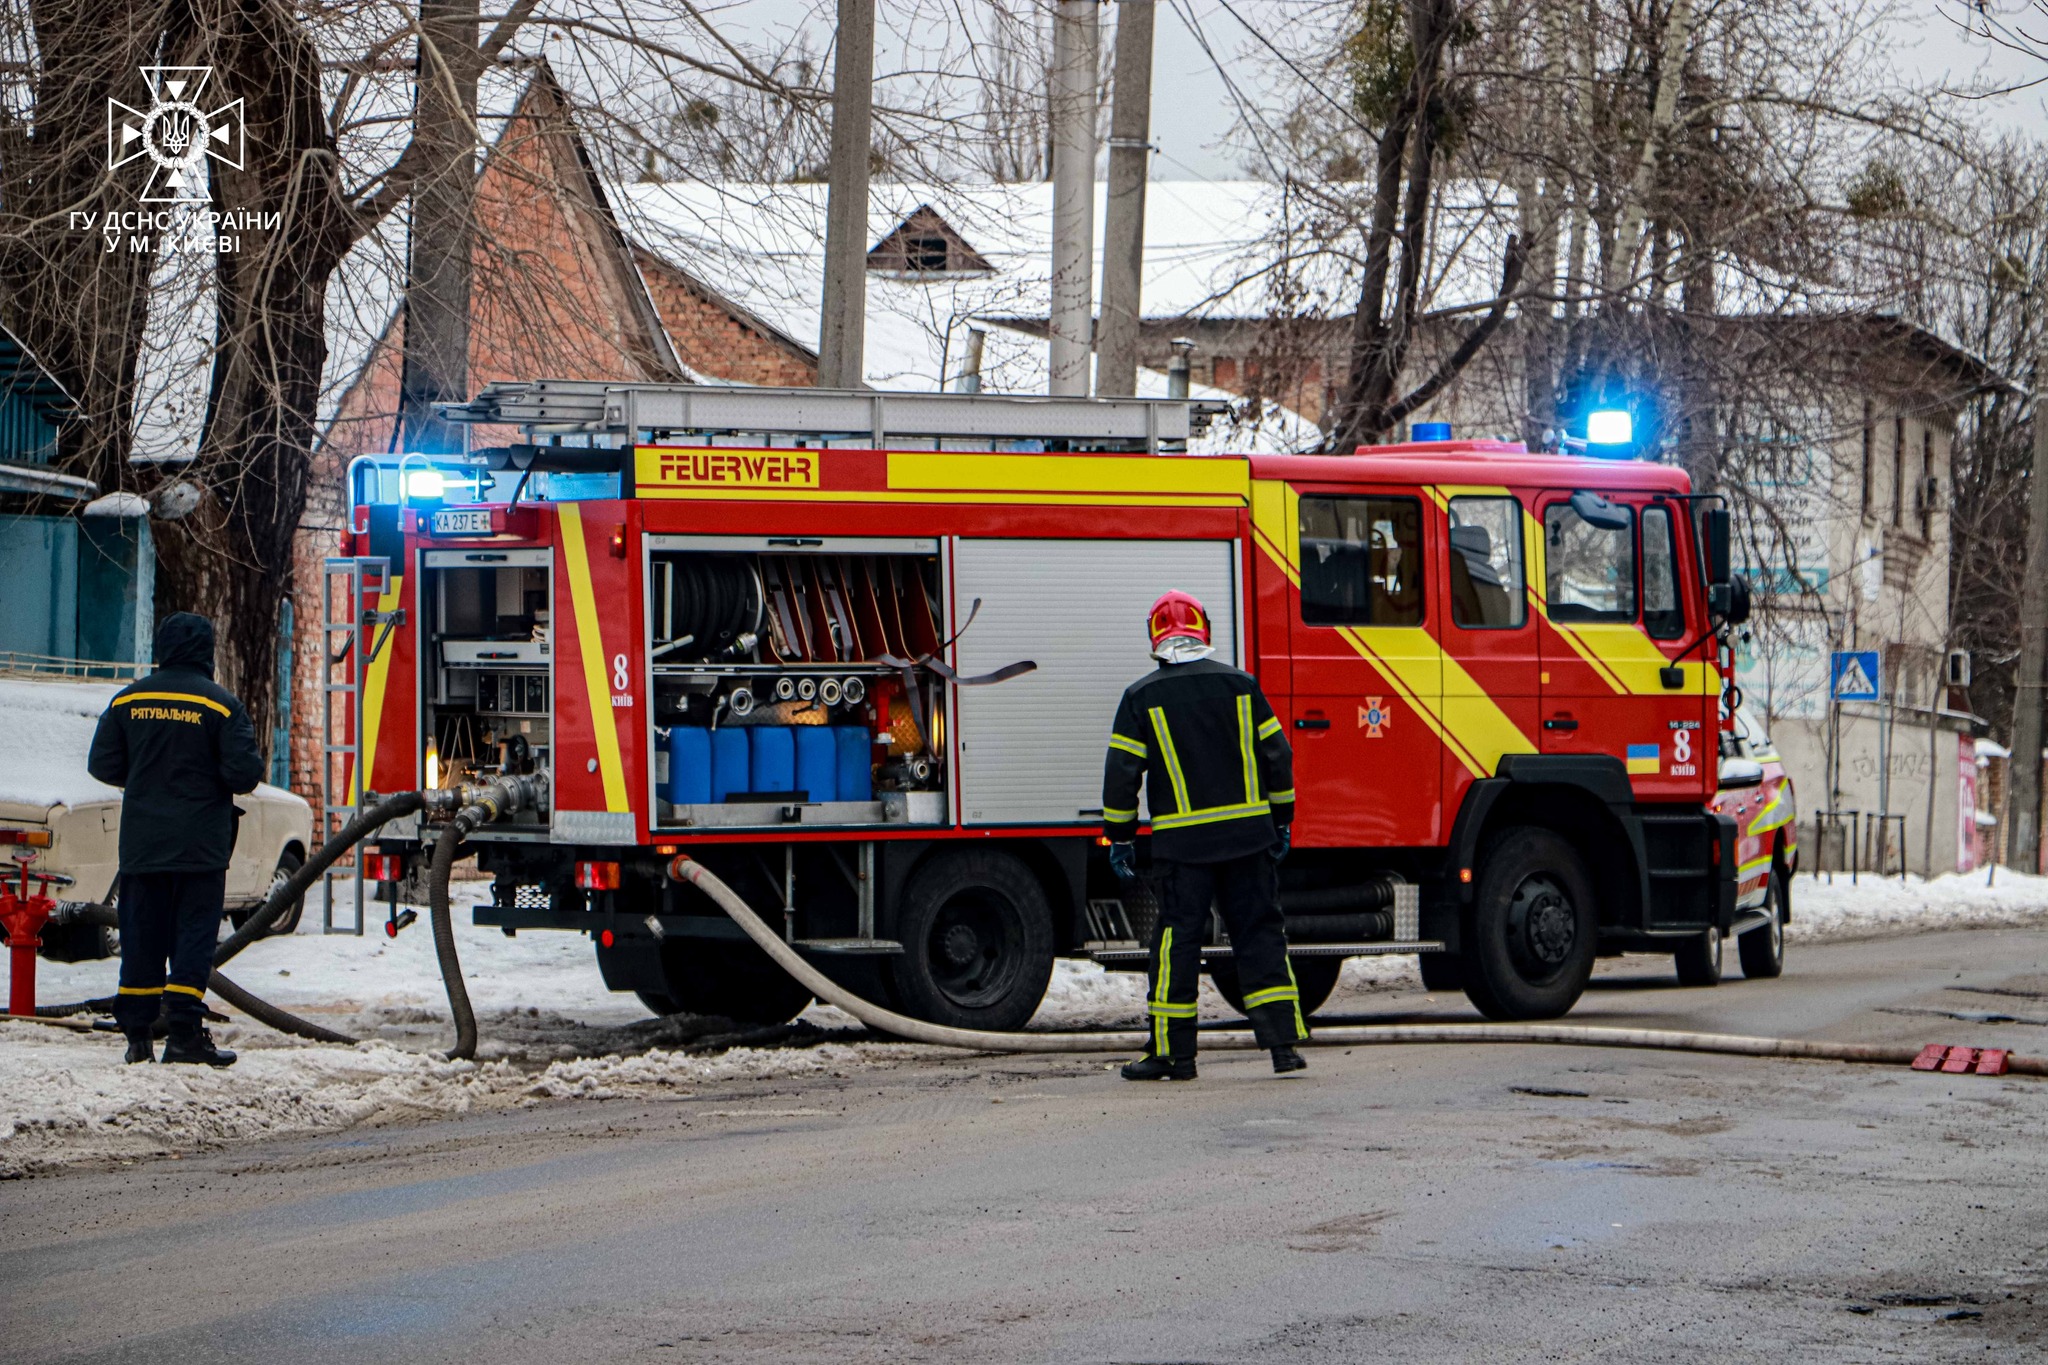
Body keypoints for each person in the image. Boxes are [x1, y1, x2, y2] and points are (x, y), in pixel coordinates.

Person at [1101, 590, 1305, 1081]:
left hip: (1182, 848)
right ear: (1203, 631)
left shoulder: (1141, 697)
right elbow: (1278, 755)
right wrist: (1282, 818)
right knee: (1259, 934)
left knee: (1178, 941)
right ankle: (1282, 1047)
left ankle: (1175, 1055)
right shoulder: (1243, 685)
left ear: (1155, 637)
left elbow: (1122, 774)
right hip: (1248, 841)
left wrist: (1121, 836)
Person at [88, 613, 264, 1066]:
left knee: (141, 934)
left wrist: (148, 777)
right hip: (199, 846)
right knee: (192, 938)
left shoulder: (127, 701)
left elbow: (103, 766)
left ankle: (137, 1037)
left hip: (142, 845)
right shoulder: (222, 706)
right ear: (207, 651)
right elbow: (244, 775)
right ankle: (184, 1034)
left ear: (160, 648)